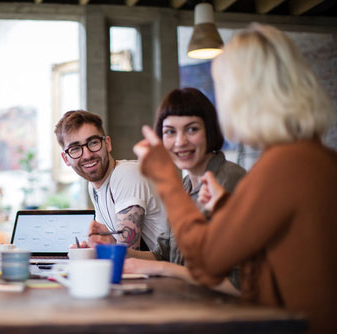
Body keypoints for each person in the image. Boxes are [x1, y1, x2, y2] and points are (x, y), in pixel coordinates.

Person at [133, 24, 337, 333]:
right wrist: (228, 206)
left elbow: (205, 263)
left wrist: (165, 178)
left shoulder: (284, 165)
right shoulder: (310, 157)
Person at [124, 87, 246, 295]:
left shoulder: (229, 179)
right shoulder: (185, 185)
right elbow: (164, 254)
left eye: (192, 129)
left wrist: (158, 268)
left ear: (210, 130)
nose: (180, 142)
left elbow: (239, 283)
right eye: (170, 132)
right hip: (188, 300)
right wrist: (116, 250)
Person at [54, 110, 168, 251]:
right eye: (75, 149)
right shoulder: (94, 187)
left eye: (93, 142)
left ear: (107, 144)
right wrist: (92, 248)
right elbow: (116, 244)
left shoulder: (126, 174)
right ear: (66, 159)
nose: (88, 155)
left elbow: (126, 254)